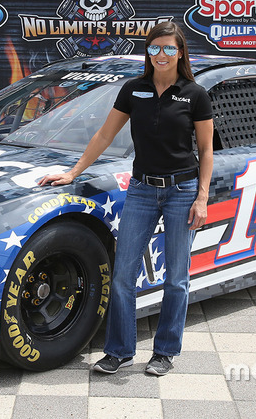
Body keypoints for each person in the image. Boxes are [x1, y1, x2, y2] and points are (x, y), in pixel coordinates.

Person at [39, 21, 213, 376]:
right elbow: (105, 135)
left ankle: (165, 352)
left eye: (168, 48)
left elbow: (207, 150)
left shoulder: (194, 94)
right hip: (142, 189)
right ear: (147, 52)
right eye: (154, 48)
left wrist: (202, 197)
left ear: (180, 52)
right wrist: (73, 172)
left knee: (176, 278)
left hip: (182, 192)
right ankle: (119, 351)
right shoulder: (134, 90)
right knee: (122, 276)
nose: (161, 55)